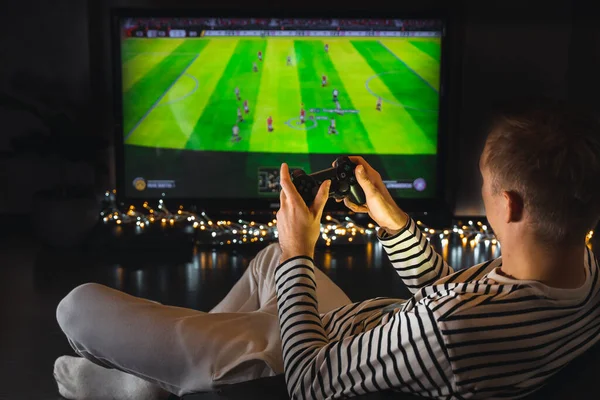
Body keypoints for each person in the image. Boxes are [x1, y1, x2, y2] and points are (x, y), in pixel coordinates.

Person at [53, 99, 600, 400]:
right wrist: (393, 220)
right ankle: (177, 382)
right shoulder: (582, 269)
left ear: (508, 205)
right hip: (370, 333)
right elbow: (451, 297)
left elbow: (312, 383)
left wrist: (299, 254)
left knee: (74, 306)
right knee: (268, 260)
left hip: (296, 360)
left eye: (482, 185)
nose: (480, 195)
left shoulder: (450, 330)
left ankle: (168, 388)